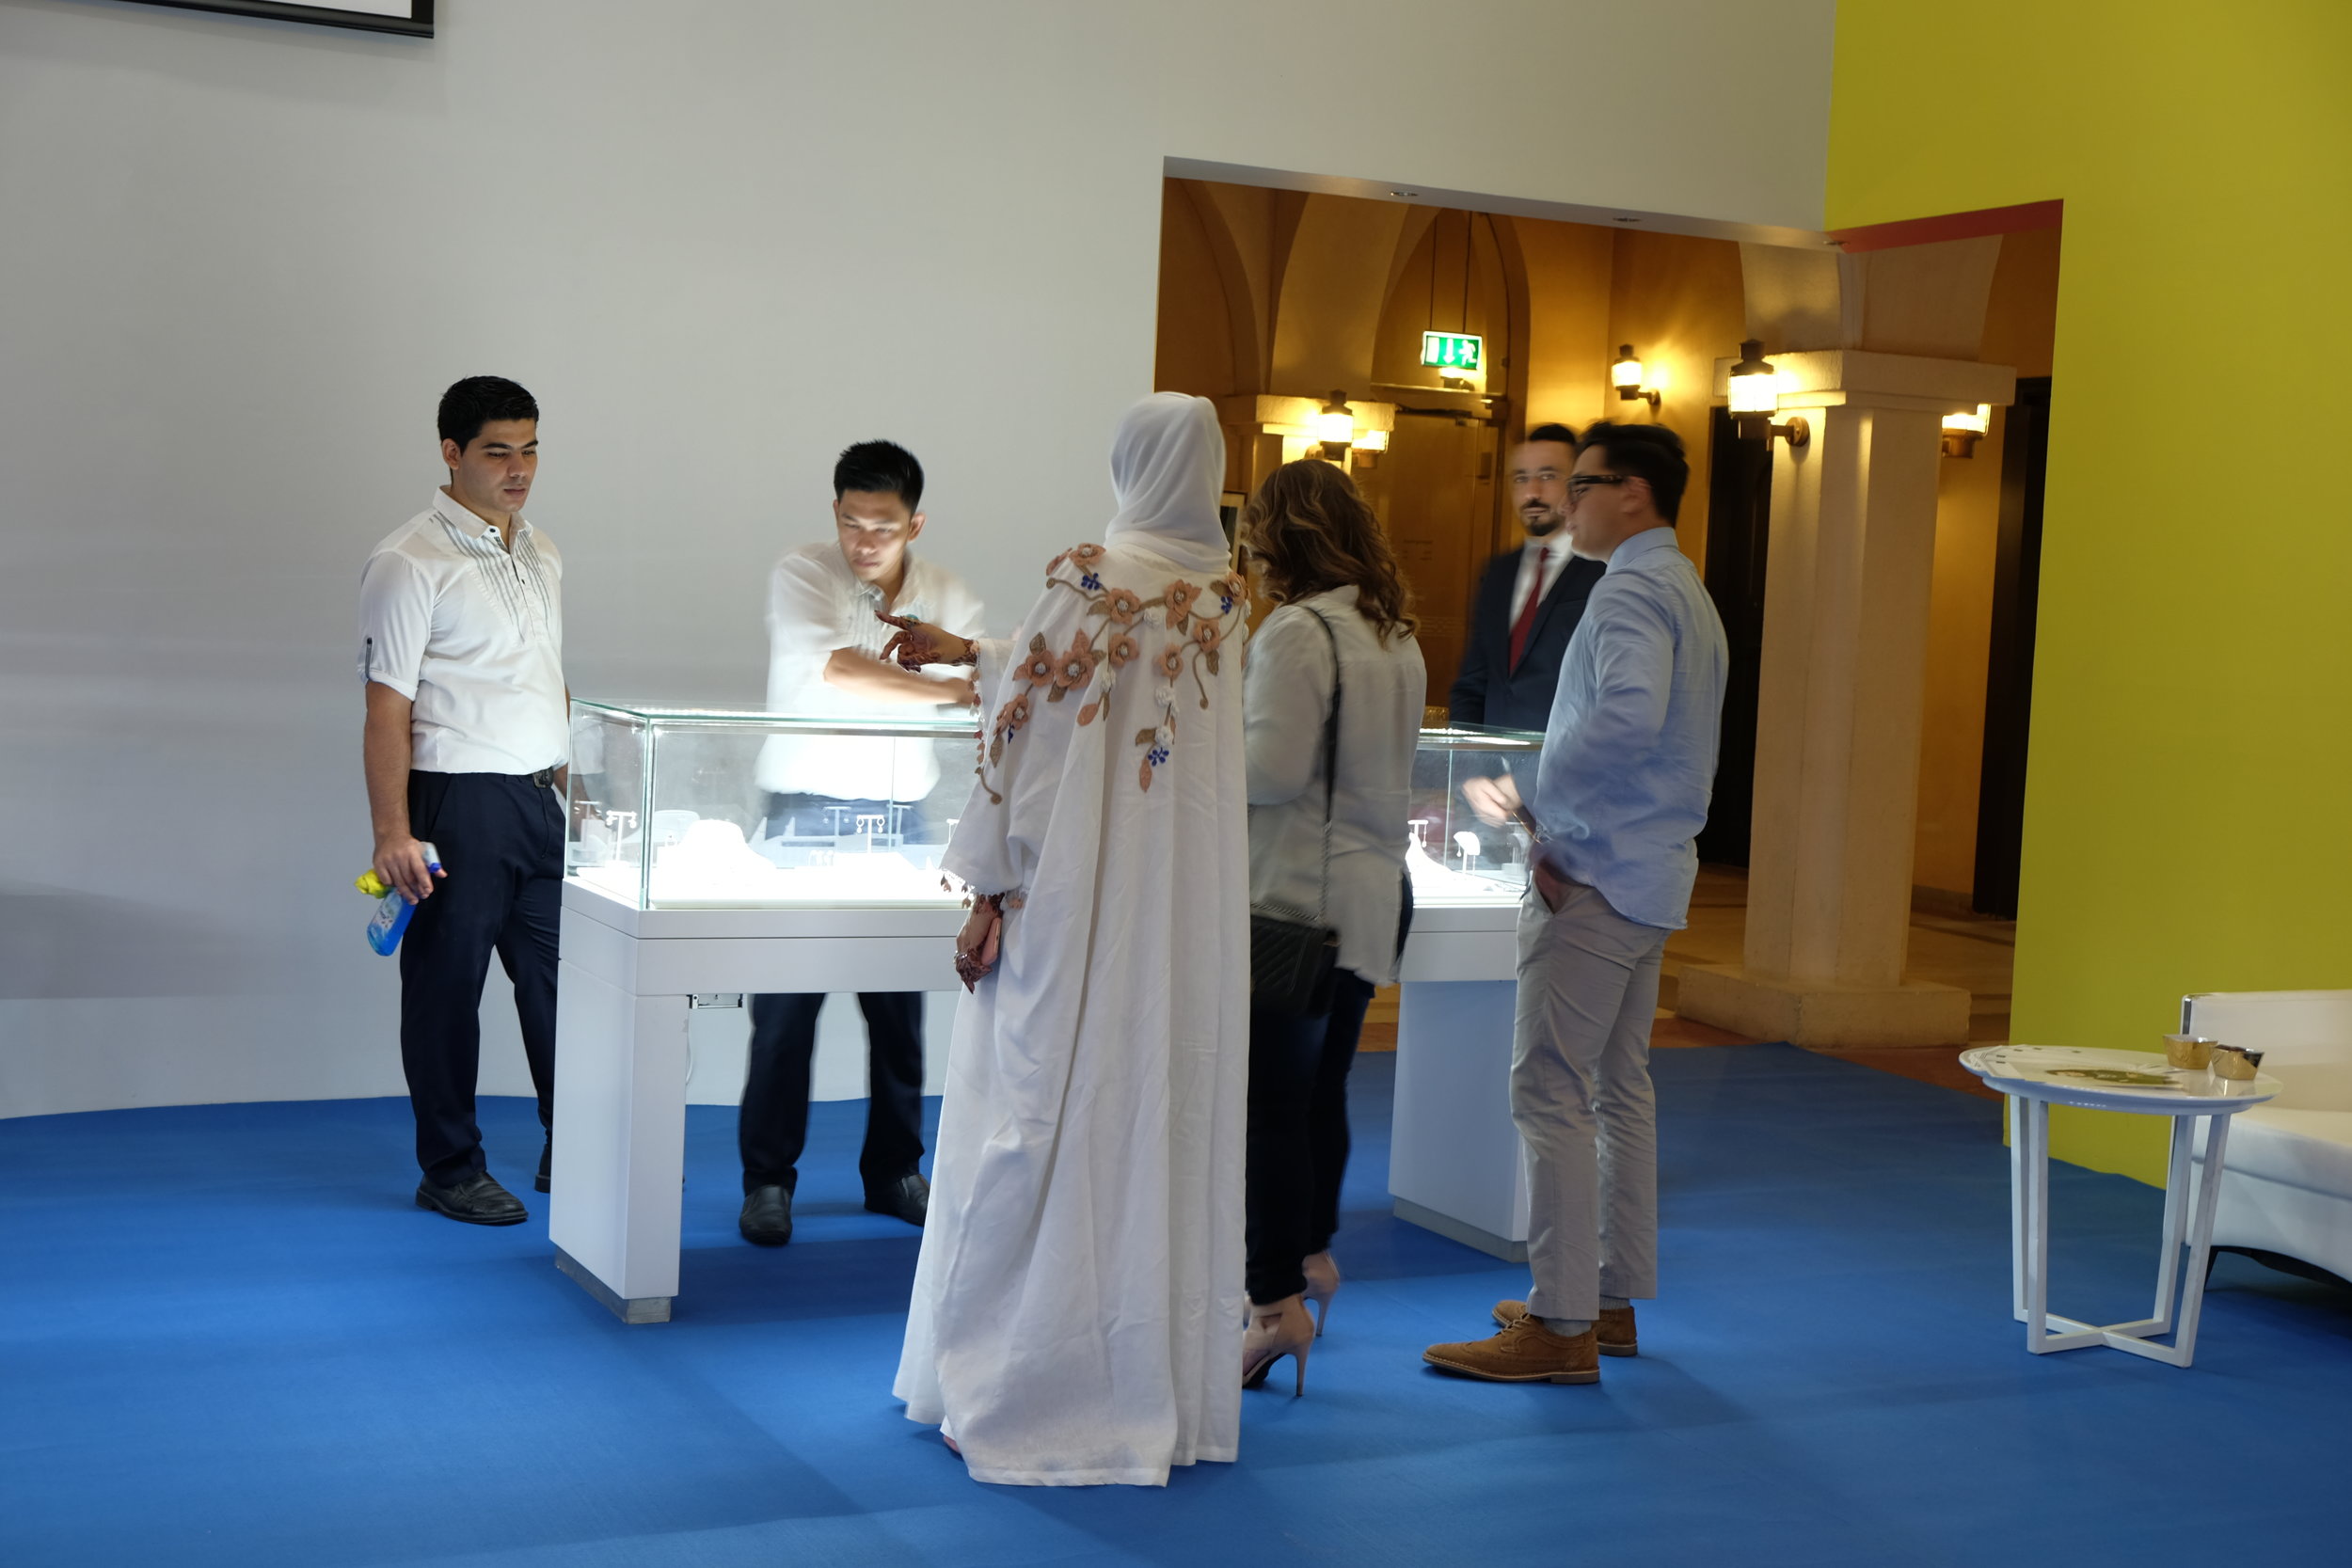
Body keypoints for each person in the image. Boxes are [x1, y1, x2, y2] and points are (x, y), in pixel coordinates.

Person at [883, 392, 1251, 1486]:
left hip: (1072, 906)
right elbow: (1082, 682)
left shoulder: (1090, 576)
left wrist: (987, 888)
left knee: (1036, 1112)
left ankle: (1018, 1379)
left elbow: (1029, 748)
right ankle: (1145, 1379)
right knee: (1147, 1115)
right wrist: (977, 648)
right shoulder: (1225, 596)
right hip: (1173, 921)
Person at [1422, 421, 1726, 1385]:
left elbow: (1628, 715)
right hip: (1649, 869)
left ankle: (1560, 1324)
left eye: (1582, 484)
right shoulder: (1683, 586)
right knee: (1617, 1085)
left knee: (1549, 1088)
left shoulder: (1631, 587)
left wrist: (1535, 799)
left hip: (1599, 869)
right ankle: (1605, 1295)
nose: (1566, 502)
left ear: (1633, 492)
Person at [739, 439, 985, 1247]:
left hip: (902, 819)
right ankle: (767, 1180)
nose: (865, 541)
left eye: (884, 526)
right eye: (852, 522)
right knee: (783, 1011)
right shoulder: (802, 573)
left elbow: (984, 680)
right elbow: (838, 668)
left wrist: (963, 680)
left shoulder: (949, 593)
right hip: (804, 813)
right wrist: (951, 684)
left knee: (900, 1010)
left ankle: (894, 1171)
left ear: (916, 523)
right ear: (835, 513)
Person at [1234, 461, 1425, 1394]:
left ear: (1283, 538)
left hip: (1294, 903)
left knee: (1268, 1108)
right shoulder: (1393, 632)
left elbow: (1268, 771)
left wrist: (1186, 754)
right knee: (1319, 1097)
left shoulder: (1297, 632)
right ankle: (1310, 1261)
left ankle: (1272, 1305)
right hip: (1371, 893)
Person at [358, 376, 568, 1226]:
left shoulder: (542, 549)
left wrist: (576, 787)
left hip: (539, 800)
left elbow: (544, 675)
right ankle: (449, 1166)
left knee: (566, 982)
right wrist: (392, 833)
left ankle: (575, 1143)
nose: (519, 470)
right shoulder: (410, 560)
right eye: (497, 452)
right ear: (452, 453)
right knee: (447, 988)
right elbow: (386, 706)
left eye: (530, 450)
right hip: (458, 801)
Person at [1450, 423, 1606, 822]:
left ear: (1578, 484)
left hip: (1575, 800)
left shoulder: (1605, 571)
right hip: (1491, 804)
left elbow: (1605, 704)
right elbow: (1473, 684)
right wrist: (1470, 774)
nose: (1532, 492)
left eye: (1548, 476)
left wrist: (1525, 782)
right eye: (1521, 478)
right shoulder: (1498, 573)